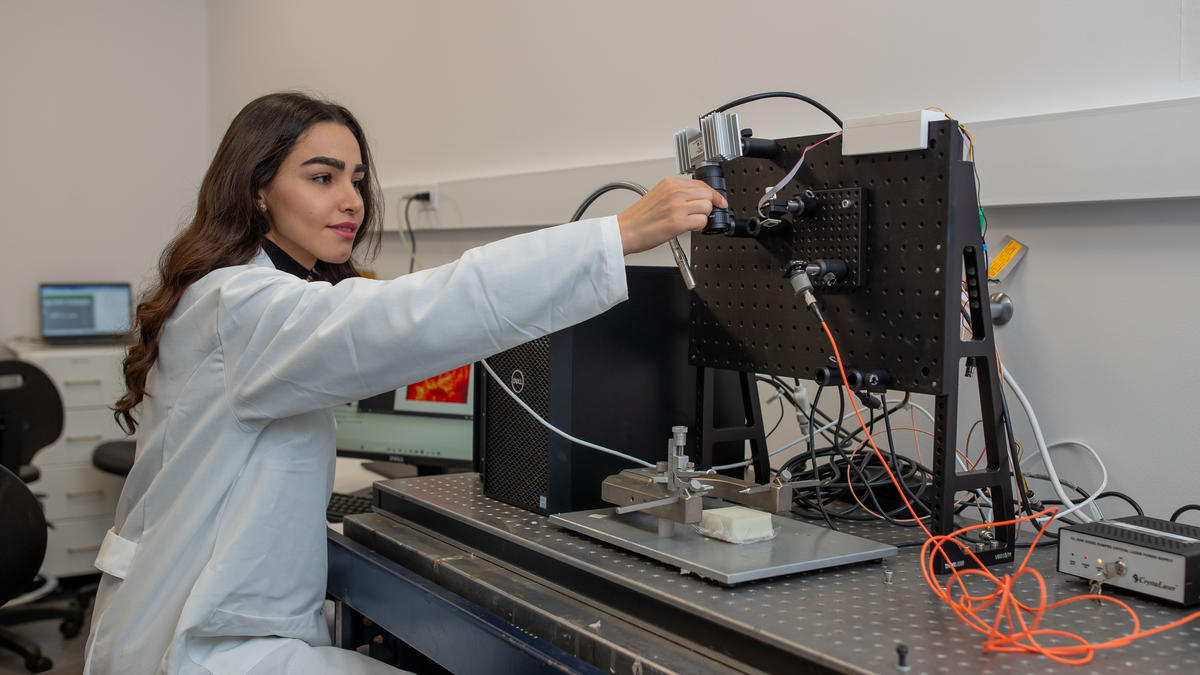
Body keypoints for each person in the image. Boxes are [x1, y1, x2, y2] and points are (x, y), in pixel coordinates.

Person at [82, 91, 724, 674]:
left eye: (356, 179)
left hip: (221, 623)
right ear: (256, 190)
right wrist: (618, 235)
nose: (351, 200)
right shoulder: (238, 306)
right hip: (197, 643)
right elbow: (407, 317)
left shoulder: (246, 298)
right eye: (321, 177)